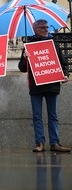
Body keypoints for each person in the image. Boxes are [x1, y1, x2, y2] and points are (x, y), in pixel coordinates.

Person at [18, 19, 71, 153]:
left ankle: (55, 143)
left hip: (52, 85)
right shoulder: (28, 46)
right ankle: (39, 143)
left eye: (47, 27)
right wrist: (25, 58)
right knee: (37, 116)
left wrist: (64, 75)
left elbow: (63, 64)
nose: (46, 29)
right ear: (35, 29)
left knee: (53, 115)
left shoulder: (54, 44)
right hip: (36, 87)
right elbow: (22, 68)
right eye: (43, 27)